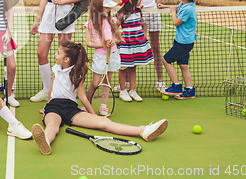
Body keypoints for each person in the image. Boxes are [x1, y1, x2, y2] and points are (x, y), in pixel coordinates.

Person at [31, 41, 168, 155]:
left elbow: (83, 98)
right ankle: (46, 141)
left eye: (58, 53)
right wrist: (46, 107)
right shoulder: (56, 68)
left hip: (70, 109)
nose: (55, 54)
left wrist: (94, 116)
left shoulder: (77, 73)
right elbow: (51, 89)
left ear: (66, 59)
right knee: (52, 125)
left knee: (104, 123)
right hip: (54, 107)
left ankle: (143, 131)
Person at [29, 0, 85, 102]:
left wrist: (63, 1)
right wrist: (36, 21)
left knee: (65, 56)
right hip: (48, 15)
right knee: (41, 53)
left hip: (64, 16)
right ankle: (47, 90)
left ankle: (65, 90)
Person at [124, 0, 169, 92]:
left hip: (153, 16)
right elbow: (128, 0)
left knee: (156, 48)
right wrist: (136, 6)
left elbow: (156, 2)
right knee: (131, 49)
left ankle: (160, 81)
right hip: (137, 17)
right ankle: (126, 83)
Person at [158, 0, 200, 99]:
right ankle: (189, 90)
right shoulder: (186, 4)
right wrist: (166, 6)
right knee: (183, 65)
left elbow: (176, 22)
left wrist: (172, 12)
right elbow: (177, 7)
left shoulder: (187, 9)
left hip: (183, 43)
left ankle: (176, 86)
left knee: (166, 60)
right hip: (185, 42)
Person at [84, 0, 123, 115]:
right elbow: (89, 43)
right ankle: (87, 105)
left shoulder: (113, 21)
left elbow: (118, 38)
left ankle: (103, 106)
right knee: (95, 83)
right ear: (97, 8)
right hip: (100, 57)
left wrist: (113, 41)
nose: (109, 9)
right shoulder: (90, 24)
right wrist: (103, 44)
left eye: (109, 7)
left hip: (113, 54)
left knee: (107, 81)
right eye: (106, 7)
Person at [116, 0, 154, 102]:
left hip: (138, 43)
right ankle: (123, 91)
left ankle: (132, 90)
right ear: (132, 0)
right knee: (122, 68)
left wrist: (144, 36)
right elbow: (115, 28)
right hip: (126, 44)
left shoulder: (138, 12)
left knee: (133, 67)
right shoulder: (122, 14)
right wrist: (118, 39)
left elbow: (143, 25)